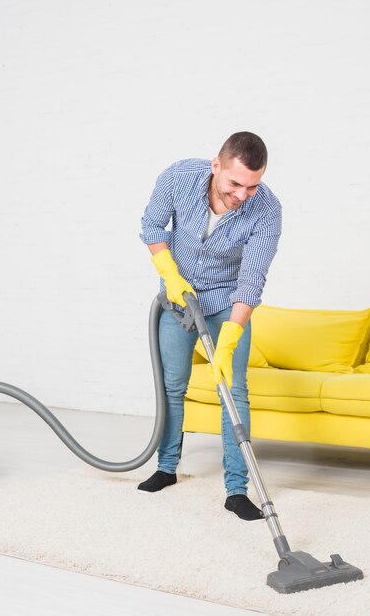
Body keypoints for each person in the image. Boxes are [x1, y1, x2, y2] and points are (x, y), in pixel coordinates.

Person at [138, 131, 282, 521]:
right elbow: (152, 227)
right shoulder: (179, 177)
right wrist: (169, 273)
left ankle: (236, 491)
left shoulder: (266, 210)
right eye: (235, 183)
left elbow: (251, 280)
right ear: (216, 165)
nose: (242, 195)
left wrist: (231, 336)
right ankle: (166, 468)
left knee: (232, 390)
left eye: (252, 186)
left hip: (224, 302)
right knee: (173, 384)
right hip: (177, 297)